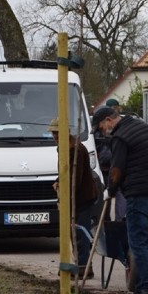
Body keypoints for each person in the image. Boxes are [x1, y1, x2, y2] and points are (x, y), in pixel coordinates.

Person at [92, 106, 148, 294]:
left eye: (101, 127)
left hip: (138, 194)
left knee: (137, 244)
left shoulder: (120, 137)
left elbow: (116, 169)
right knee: (145, 242)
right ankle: (141, 288)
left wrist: (110, 190)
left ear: (108, 120)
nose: (102, 131)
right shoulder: (142, 127)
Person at [49, 118, 99, 278]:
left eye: (57, 133)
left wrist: (66, 199)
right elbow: (65, 172)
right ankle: (75, 264)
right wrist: (58, 181)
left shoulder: (74, 149)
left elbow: (74, 179)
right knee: (73, 233)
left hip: (81, 198)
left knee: (79, 232)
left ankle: (83, 267)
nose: (55, 136)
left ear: (65, 132)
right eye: (53, 133)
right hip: (76, 196)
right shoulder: (64, 147)